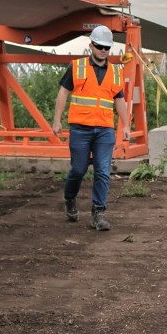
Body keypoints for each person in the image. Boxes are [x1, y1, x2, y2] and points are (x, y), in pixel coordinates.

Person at [52, 25, 130, 231]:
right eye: (99, 46)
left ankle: (98, 213)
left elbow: (120, 100)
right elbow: (63, 94)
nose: (103, 50)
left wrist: (126, 125)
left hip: (105, 130)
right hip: (80, 129)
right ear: (91, 45)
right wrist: (57, 121)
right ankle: (70, 198)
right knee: (78, 169)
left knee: (103, 171)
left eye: (106, 47)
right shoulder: (76, 67)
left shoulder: (115, 71)